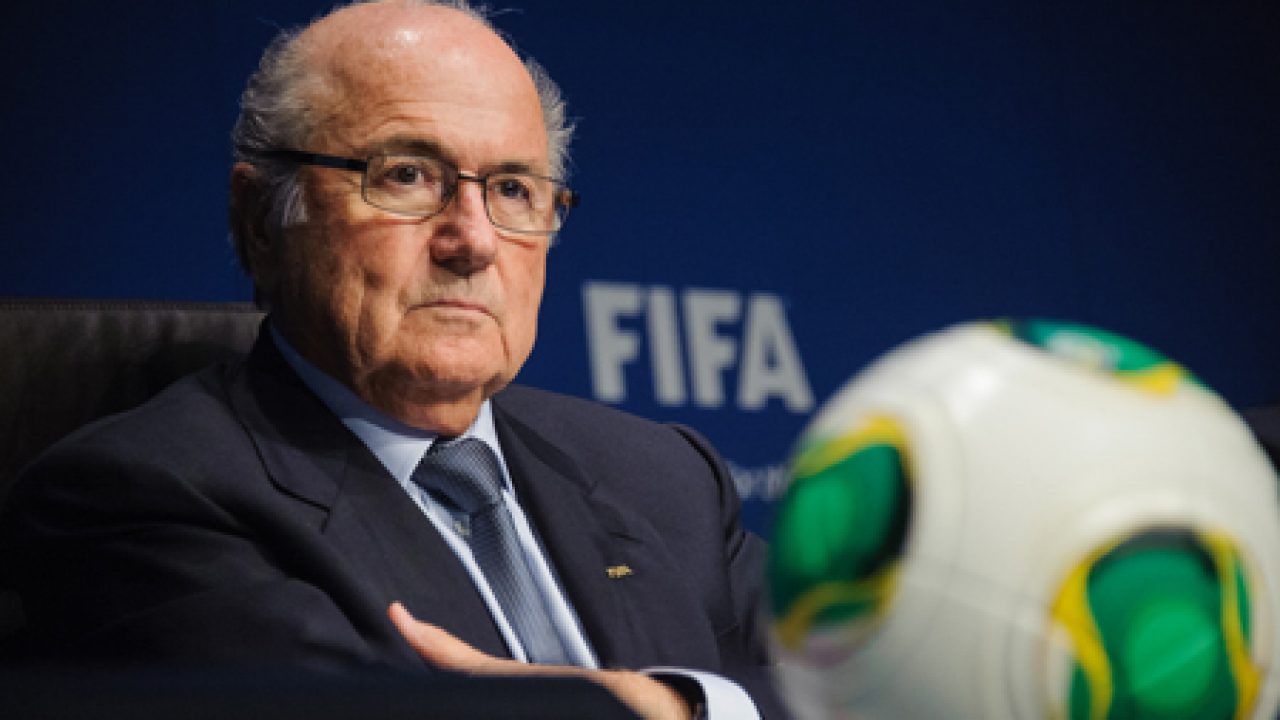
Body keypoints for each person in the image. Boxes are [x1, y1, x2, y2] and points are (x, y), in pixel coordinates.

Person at [0, 1, 788, 718]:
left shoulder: (664, 478)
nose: (473, 240)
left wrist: (678, 706)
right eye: (406, 175)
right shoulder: (137, 496)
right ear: (263, 220)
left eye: (513, 189)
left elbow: (851, 683)